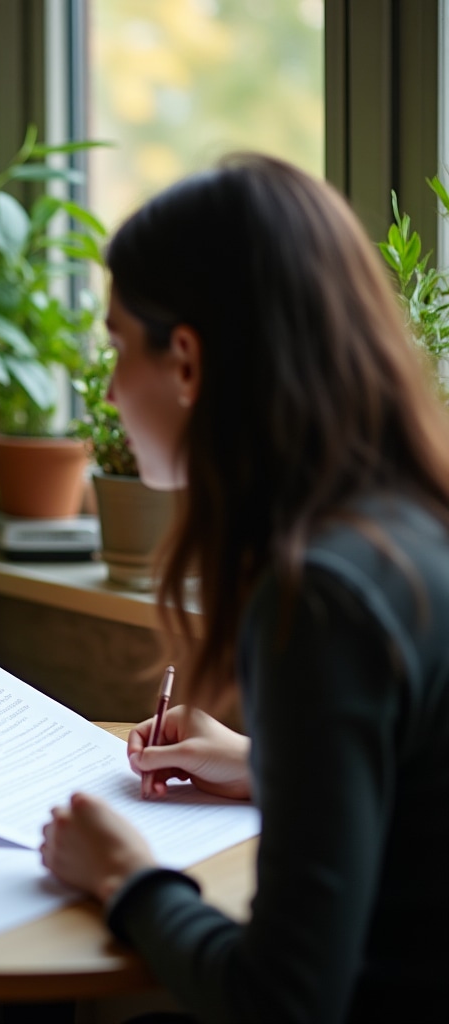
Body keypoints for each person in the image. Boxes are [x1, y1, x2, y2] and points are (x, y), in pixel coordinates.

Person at [40, 154, 449, 1023]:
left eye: (117, 347)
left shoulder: (321, 596)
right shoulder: (413, 529)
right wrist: (270, 767)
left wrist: (125, 875)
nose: (109, 391)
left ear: (186, 361)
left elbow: (283, 1002)